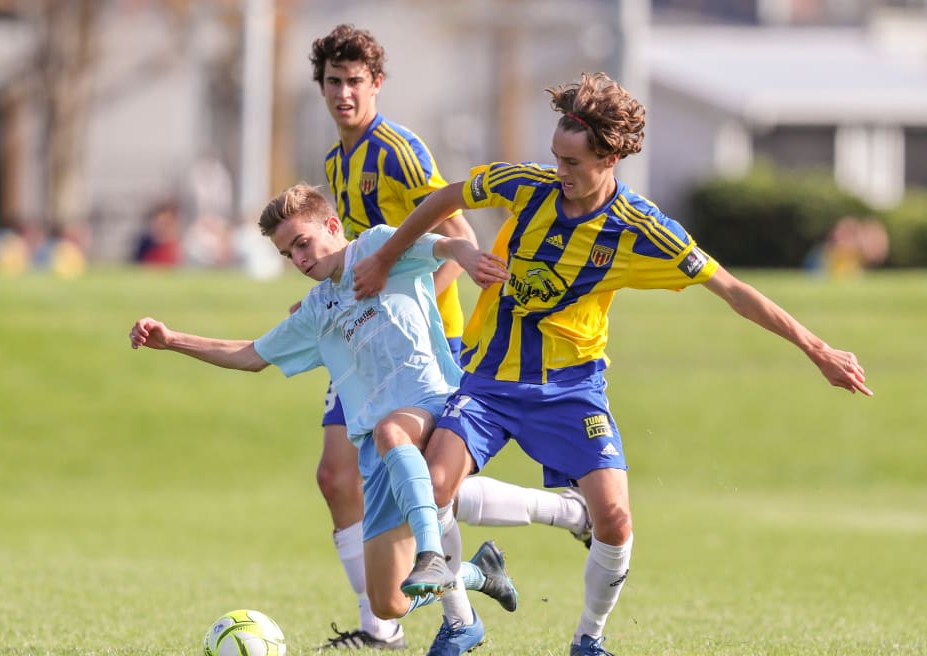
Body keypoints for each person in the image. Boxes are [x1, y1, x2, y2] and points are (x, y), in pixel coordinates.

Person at [351, 71, 873, 656]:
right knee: (435, 484)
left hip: (573, 390)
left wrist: (816, 348)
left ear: (612, 155)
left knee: (615, 522)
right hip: (490, 381)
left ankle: (588, 640)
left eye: (572, 162)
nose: (559, 172)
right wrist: (403, 256)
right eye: (556, 157)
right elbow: (445, 198)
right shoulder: (527, 186)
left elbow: (731, 289)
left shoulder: (642, 226)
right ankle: (460, 621)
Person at [130, 183, 513, 655]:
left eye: (303, 243)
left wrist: (468, 255)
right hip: (378, 452)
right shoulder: (316, 310)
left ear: (332, 227)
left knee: (393, 430)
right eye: (288, 253)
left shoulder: (375, 247)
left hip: (432, 403)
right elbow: (251, 355)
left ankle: (435, 554)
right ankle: (477, 572)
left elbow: (443, 244)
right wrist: (172, 341)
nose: (299, 259)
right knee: (390, 603)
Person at [308, 24, 594, 651]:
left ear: (377, 83)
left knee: (433, 489)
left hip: (420, 345)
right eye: (334, 82)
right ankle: (384, 623)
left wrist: (414, 314)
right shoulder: (337, 159)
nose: (344, 93)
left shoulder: (397, 151)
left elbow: (454, 236)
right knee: (339, 479)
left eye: (356, 81)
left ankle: (566, 516)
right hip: (364, 345)